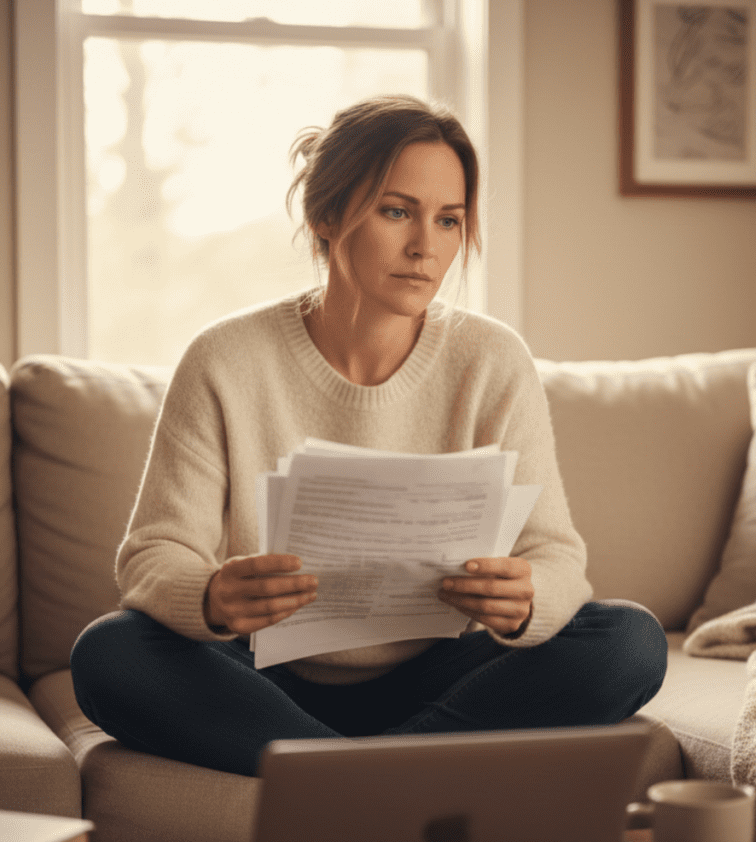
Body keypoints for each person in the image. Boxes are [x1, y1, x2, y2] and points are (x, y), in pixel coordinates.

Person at [70, 95, 667, 777]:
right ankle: (387, 778)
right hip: (265, 676)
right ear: (326, 215)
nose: (426, 246)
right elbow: (153, 553)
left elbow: (557, 557)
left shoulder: (493, 359)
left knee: (630, 640)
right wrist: (210, 597)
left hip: (444, 674)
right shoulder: (225, 358)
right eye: (396, 211)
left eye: (449, 220)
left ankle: (342, 778)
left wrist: (525, 596)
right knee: (109, 652)